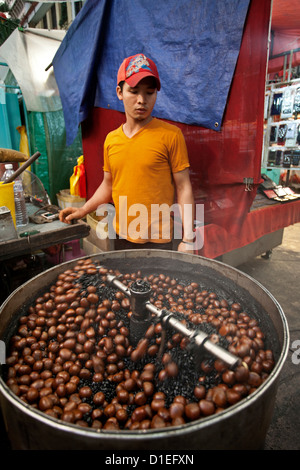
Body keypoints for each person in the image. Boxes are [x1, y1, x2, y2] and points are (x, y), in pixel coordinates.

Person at [59, 53, 195, 252]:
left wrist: (189, 238)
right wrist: (83, 210)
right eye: (133, 91)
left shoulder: (171, 136)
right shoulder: (111, 140)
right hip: (121, 236)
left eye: (149, 92)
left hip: (160, 241)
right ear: (120, 92)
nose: (141, 100)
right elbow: (108, 185)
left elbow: (184, 188)